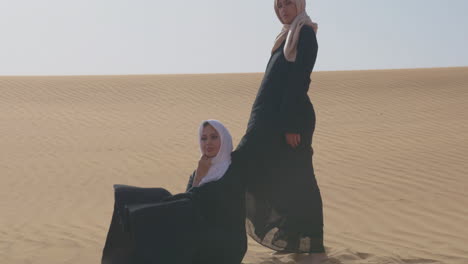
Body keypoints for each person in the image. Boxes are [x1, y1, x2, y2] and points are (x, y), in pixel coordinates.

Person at [231, 0, 326, 262]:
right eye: (279, 5)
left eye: (288, 4)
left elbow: (299, 79)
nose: (283, 10)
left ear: (300, 5)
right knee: (287, 177)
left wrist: (291, 124)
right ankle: (296, 239)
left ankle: (313, 247)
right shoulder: (286, 35)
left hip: (287, 122)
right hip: (271, 120)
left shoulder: (304, 33)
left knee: (300, 180)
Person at [101, 120, 247, 264]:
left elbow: (198, 204)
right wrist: (199, 177)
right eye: (203, 138)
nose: (208, 142)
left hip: (226, 242)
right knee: (149, 203)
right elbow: (188, 204)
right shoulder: (199, 170)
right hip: (200, 237)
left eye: (214, 137)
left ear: (225, 139)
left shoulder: (233, 170)